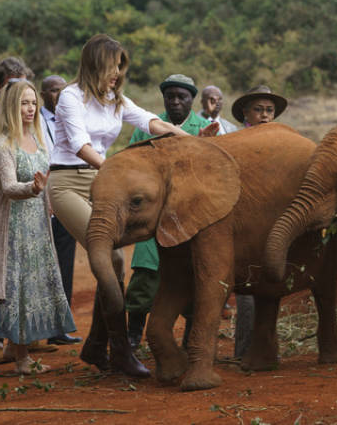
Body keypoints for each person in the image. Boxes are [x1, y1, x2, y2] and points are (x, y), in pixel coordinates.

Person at [48, 34, 191, 378]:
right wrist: (114, 170)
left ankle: (99, 346)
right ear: (97, 63)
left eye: (121, 68)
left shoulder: (115, 99)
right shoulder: (70, 97)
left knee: (114, 263)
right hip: (67, 182)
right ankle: (120, 351)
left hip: (101, 183)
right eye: (113, 67)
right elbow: (81, 144)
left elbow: (151, 122)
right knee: (110, 256)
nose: (117, 75)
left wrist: (193, 141)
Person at [0, 79, 76, 375]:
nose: (31, 108)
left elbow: (46, 179)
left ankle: (14, 348)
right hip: (13, 227)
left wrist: (47, 198)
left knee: (33, 285)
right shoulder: (1, 144)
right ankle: (22, 361)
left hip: (37, 225)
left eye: (33, 102)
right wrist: (34, 189)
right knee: (17, 286)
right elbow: (8, 187)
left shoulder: (37, 139)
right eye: (24, 102)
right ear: (10, 106)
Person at [126, 74, 218, 350]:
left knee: (191, 271)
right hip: (153, 212)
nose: (176, 101)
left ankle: (192, 339)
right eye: (170, 96)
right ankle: (132, 336)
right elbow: (130, 163)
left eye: (182, 97)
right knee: (145, 270)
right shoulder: (149, 125)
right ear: (164, 98)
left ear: (192, 99)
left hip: (190, 211)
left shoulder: (206, 127)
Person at [229, 84, 288, 359]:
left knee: (272, 285)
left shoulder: (281, 145)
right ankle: (243, 351)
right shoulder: (235, 143)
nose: (265, 116)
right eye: (258, 110)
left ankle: (265, 348)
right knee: (245, 286)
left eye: (269, 111)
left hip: (272, 227)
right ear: (245, 112)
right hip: (241, 227)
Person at [39, 75, 82, 345]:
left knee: (65, 263)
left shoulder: (71, 118)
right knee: (41, 264)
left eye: (62, 91)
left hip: (66, 198)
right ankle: (35, 328)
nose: (58, 96)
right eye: (54, 91)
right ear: (44, 94)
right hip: (41, 200)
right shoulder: (35, 120)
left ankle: (58, 327)